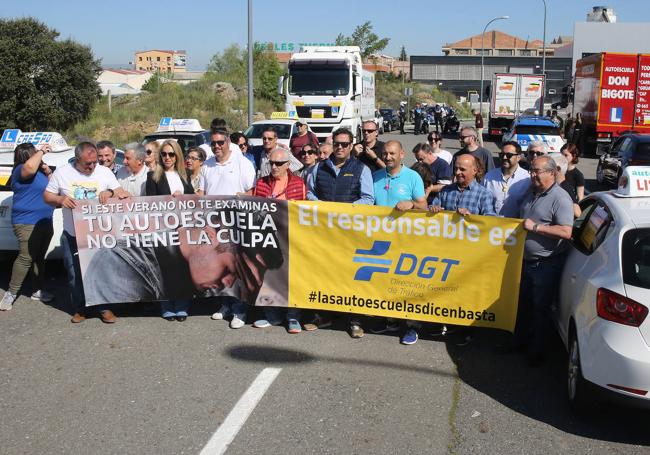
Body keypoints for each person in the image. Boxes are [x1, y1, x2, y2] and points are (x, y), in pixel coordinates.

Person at [43, 142, 123, 323]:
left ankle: (105, 308)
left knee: (101, 272)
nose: (93, 166)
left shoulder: (104, 172)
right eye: (88, 163)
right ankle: (81, 309)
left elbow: (121, 193)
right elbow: (47, 196)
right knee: (74, 274)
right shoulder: (62, 173)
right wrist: (60, 199)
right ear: (77, 160)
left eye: (95, 162)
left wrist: (110, 192)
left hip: (99, 235)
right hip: (73, 235)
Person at [306, 128, 374, 337]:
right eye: (337, 144)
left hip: (350, 233)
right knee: (325, 274)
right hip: (324, 232)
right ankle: (324, 315)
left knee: (350, 276)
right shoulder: (318, 168)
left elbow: (368, 198)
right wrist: (325, 207)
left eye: (345, 144)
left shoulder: (362, 169)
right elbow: (309, 193)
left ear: (351, 146)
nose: (340, 148)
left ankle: (355, 320)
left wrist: (343, 211)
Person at [511, 155, 574, 367]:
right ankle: (519, 344)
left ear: (552, 173)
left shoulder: (560, 198)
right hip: (526, 262)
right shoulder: (534, 192)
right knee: (523, 306)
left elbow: (566, 231)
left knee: (541, 309)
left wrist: (537, 228)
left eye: (537, 171)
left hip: (545, 265)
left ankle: (537, 353)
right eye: (532, 171)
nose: (533, 175)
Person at [372, 140, 427, 344]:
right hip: (382, 241)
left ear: (402, 154)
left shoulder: (413, 177)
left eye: (392, 153)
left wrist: (412, 203)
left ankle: (412, 326)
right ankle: (391, 320)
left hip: (406, 242)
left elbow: (425, 206)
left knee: (408, 286)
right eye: (385, 153)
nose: (388, 157)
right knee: (385, 283)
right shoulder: (376, 176)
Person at [200, 129, 256, 328]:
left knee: (238, 268)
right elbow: (202, 192)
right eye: (213, 143)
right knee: (220, 268)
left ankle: (240, 310)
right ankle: (226, 304)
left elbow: (252, 191)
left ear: (228, 142)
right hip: (214, 225)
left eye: (220, 142)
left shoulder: (243, 163)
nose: (217, 146)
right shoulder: (207, 164)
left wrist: (244, 197)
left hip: (237, 224)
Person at [253, 147, 306, 333]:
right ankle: (271, 315)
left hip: (291, 240)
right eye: (271, 163)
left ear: (288, 165)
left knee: (292, 280)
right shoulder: (261, 183)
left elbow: (303, 213)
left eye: (278, 164)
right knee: (268, 278)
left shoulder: (299, 184)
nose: (274, 167)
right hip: (267, 239)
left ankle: (293, 316)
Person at [0, 143, 55, 311]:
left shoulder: (38, 173)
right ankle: (10, 294)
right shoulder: (20, 170)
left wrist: (48, 172)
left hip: (44, 220)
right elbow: (29, 168)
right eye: (35, 153)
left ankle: (37, 290)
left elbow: (53, 188)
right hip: (27, 222)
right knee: (26, 257)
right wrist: (41, 151)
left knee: (39, 257)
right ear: (28, 155)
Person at [145, 140, 195, 321]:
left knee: (182, 267)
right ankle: (166, 304)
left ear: (177, 156)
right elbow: (150, 204)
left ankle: (182, 304)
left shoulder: (185, 175)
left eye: (171, 154)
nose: (167, 157)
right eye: (164, 154)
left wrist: (184, 198)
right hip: (162, 229)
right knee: (164, 268)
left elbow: (193, 200)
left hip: (183, 228)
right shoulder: (153, 177)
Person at [430, 154, 496, 216]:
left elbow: (490, 220)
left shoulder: (484, 194)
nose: (457, 172)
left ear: (474, 171)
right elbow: (431, 208)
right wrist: (433, 208)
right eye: (456, 168)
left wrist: (470, 216)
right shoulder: (445, 190)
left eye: (462, 169)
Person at [482, 141, 531, 218]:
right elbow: (481, 201)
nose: (504, 157)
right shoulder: (489, 177)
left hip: (516, 227)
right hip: (492, 226)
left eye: (508, 155)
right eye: (502, 155)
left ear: (518, 157)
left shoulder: (527, 178)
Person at [553, 153, 582, 218]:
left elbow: (577, 213)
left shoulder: (565, 188)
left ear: (558, 169)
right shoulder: (560, 186)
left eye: (549, 167)